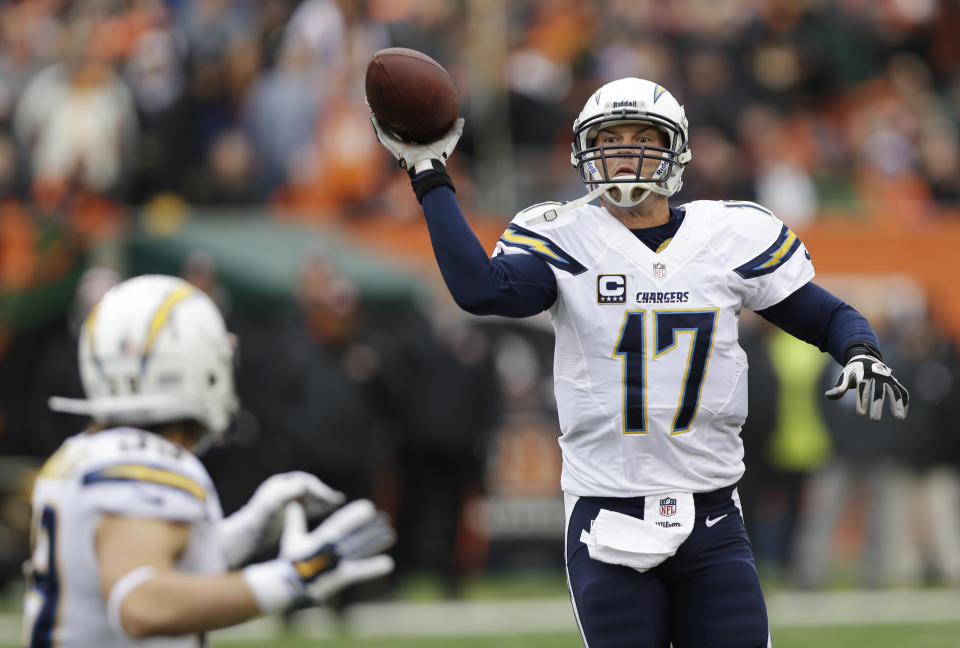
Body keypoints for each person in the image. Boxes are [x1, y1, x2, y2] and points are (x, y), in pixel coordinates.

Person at [370, 77, 909, 647]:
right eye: (611, 138)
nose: (625, 151)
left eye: (641, 136)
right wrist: (430, 174)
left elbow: (828, 316)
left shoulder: (727, 234)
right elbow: (480, 289)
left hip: (713, 518)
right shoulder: (563, 237)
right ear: (586, 150)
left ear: (674, 148)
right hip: (608, 516)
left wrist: (862, 350)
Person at [22, 274, 394, 647]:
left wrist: (246, 531)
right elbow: (141, 602)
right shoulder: (146, 466)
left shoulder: (85, 452)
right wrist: (291, 578)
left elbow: (152, 558)